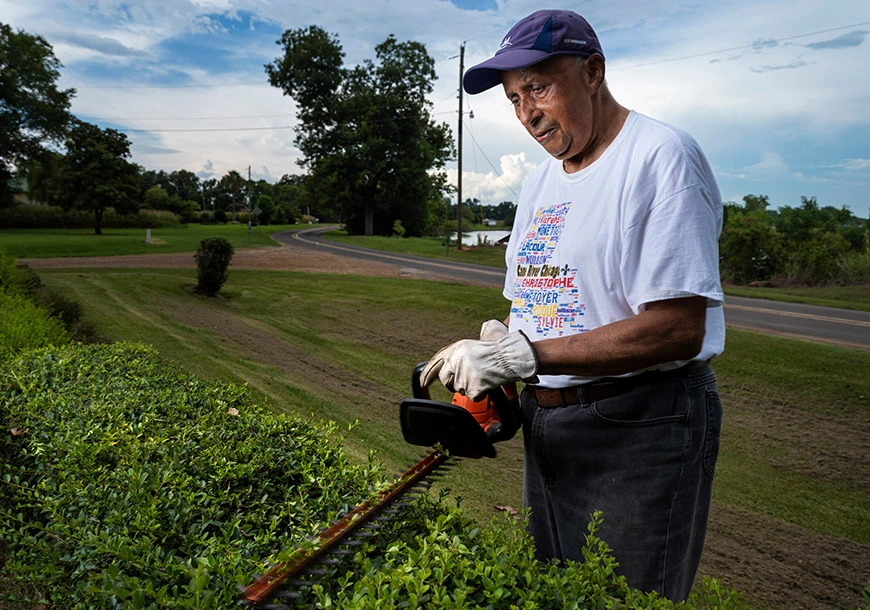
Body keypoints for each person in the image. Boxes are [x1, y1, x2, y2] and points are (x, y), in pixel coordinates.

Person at [420, 9, 725, 601]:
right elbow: (531, 306)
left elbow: (677, 329)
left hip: (641, 422)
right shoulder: (539, 183)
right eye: (512, 98)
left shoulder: (661, 158)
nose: (526, 113)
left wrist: (525, 356)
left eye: (537, 87)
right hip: (549, 422)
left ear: (592, 72)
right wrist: (495, 364)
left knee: (625, 598)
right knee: (557, 594)